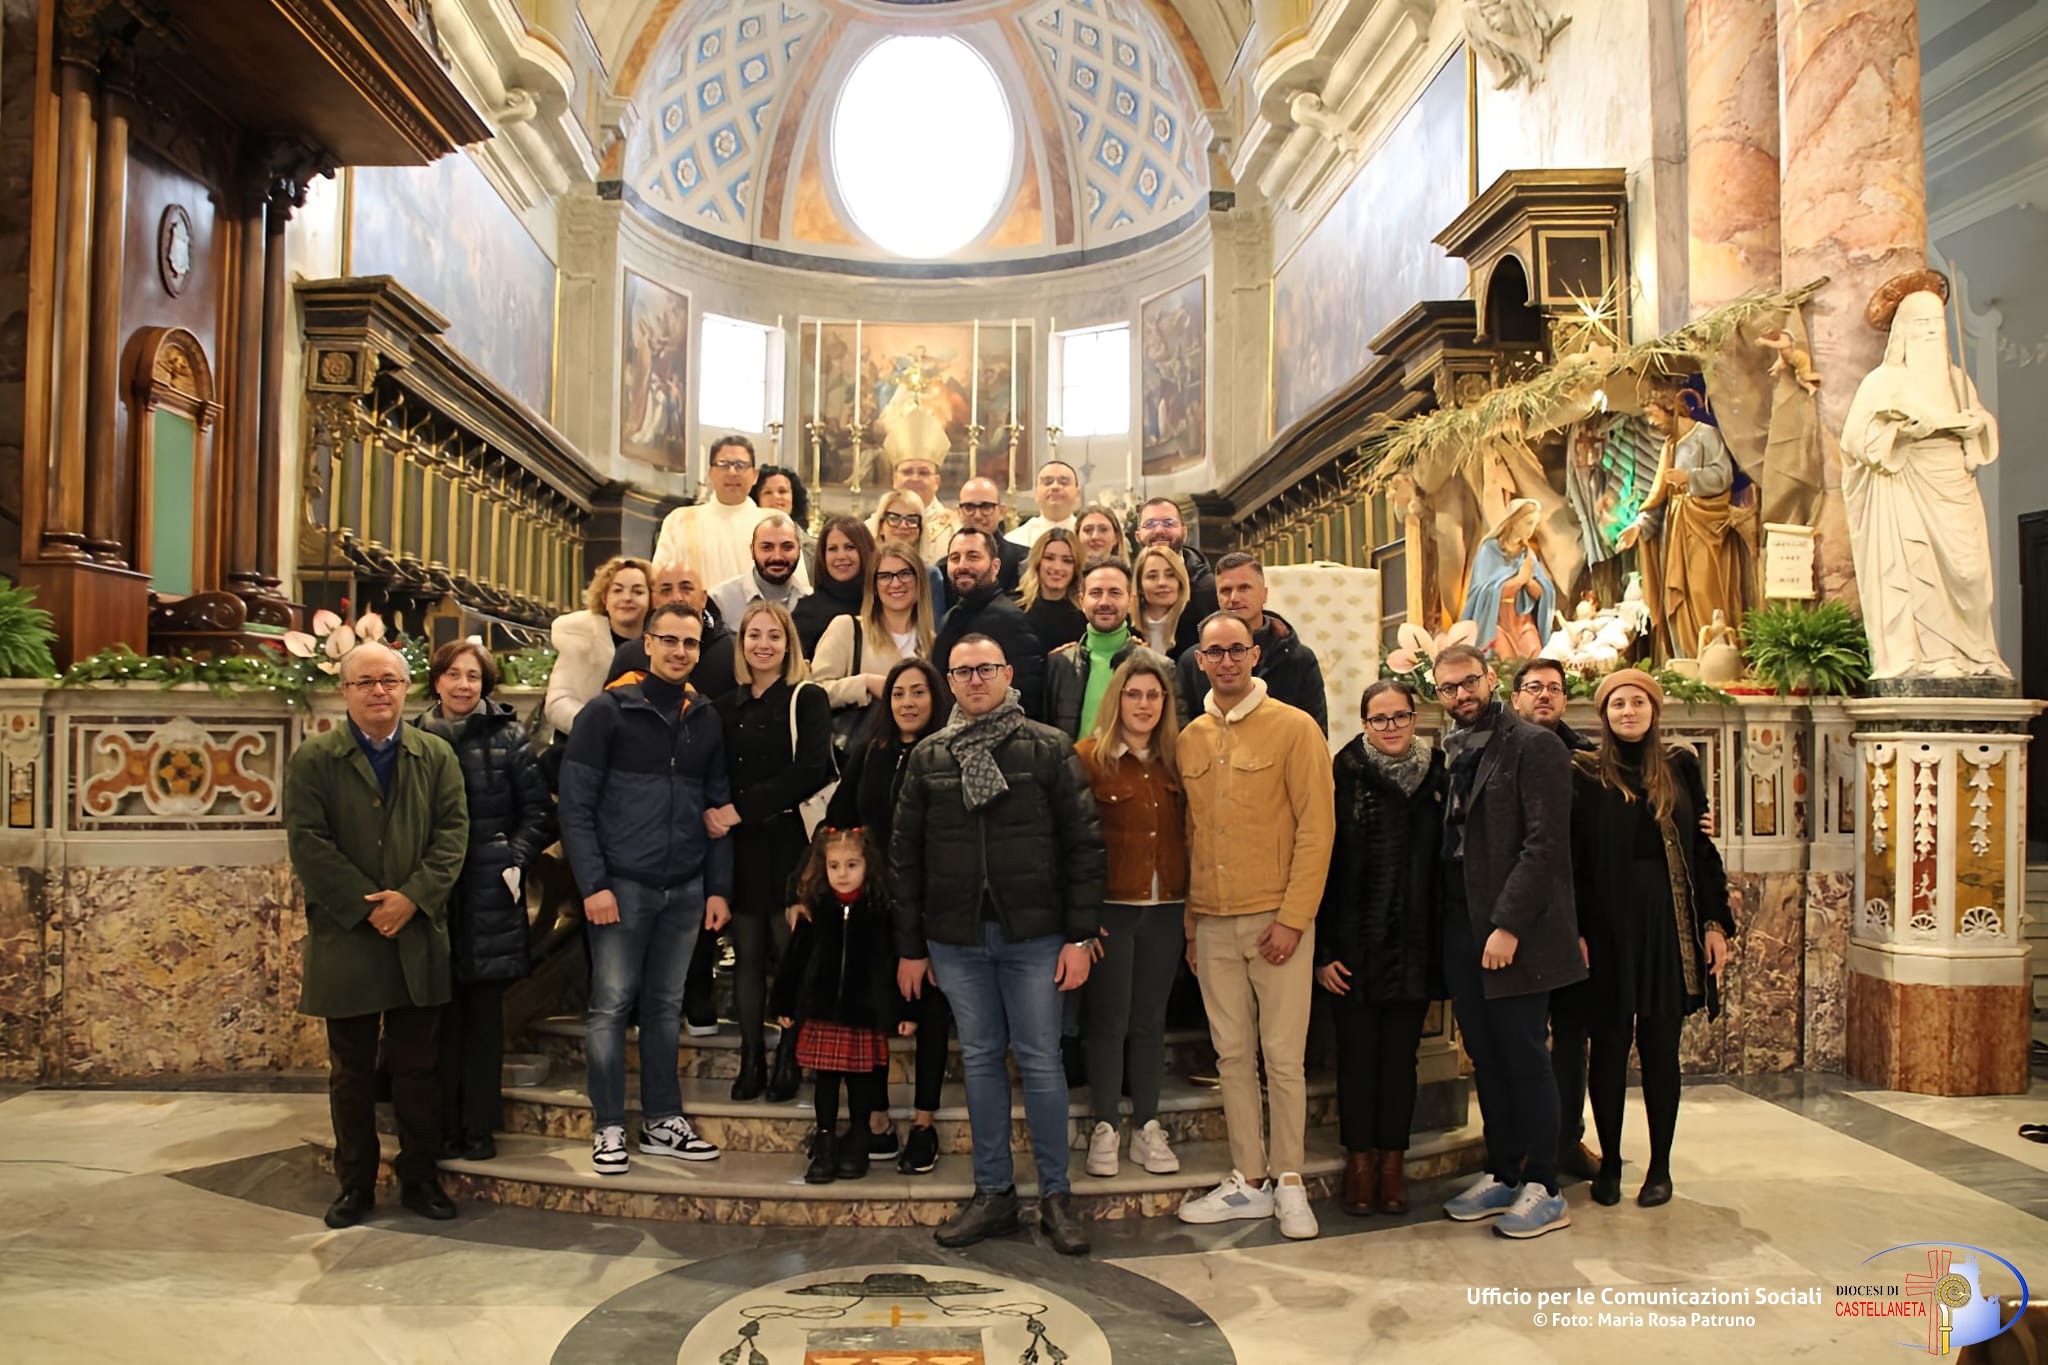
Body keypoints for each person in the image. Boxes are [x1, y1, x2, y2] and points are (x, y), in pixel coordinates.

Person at [891, 634, 1105, 1255]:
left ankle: (1056, 1198)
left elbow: (1084, 847)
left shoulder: (1047, 747)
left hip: (1035, 935)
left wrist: (1081, 935)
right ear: (949, 681)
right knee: (981, 1059)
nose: (975, 679)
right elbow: (905, 859)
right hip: (957, 938)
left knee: (1040, 1059)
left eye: (986, 668)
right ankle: (994, 1195)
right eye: (963, 672)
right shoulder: (930, 757)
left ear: (1007, 672)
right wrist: (911, 946)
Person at [286, 641, 469, 1228]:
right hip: (350, 935)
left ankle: (420, 1179)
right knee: (352, 1071)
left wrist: (412, 898)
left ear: (406, 688)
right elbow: (309, 845)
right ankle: (355, 1183)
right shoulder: (315, 759)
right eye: (365, 682)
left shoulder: (435, 754)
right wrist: (369, 907)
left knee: (418, 1068)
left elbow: (452, 836)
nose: (378, 692)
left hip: (416, 932)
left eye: (389, 681)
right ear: (346, 692)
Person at [1176, 613, 1335, 1241]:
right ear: (1200, 661)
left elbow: (1317, 830)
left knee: (1284, 1057)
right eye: (1214, 652)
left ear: (1255, 655)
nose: (1226, 661)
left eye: (1237, 649)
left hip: (1277, 920)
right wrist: (1191, 925)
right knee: (1232, 1054)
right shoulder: (1189, 737)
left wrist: (1294, 919)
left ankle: (1291, 1180)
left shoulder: (1294, 729)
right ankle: (1249, 1178)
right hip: (1212, 922)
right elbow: (1191, 836)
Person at [559, 602, 733, 1175]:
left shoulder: (703, 716)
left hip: (683, 886)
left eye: (691, 643)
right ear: (649, 643)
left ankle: (663, 1120)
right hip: (621, 887)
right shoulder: (607, 712)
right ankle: (609, 1124)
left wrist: (716, 886)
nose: (681, 651)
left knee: (665, 1007)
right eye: (670, 640)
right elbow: (578, 808)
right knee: (609, 1007)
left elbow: (717, 808)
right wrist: (594, 884)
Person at [1431, 643, 1584, 1240]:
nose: (1461, 696)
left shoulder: (1534, 745)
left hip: (1514, 932)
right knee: (1486, 1058)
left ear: (1491, 680)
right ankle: (1502, 1170)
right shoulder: (1452, 752)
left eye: (1469, 683)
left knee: (1524, 1055)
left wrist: (1508, 925)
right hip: (1462, 925)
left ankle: (1544, 1184)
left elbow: (1544, 845)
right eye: (1448, 689)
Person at [1572, 669, 1733, 1208]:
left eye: (1637, 701)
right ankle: (1612, 1163)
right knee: (1610, 1050)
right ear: (1605, 714)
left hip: (1670, 929)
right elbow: (1572, 862)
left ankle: (1660, 1168)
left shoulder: (1680, 768)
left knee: (1662, 1051)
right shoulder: (1585, 772)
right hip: (1609, 929)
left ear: (1654, 710)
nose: (1628, 711)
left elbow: (1701, 853)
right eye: (1618, 703)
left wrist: (1715, 924)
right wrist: (1574, 931)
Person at [414, 641, 552, 1162]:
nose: (463, 685)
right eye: (453, 674)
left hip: (490, 890)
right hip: (434, 891)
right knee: (439, 1019)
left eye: (472, 676)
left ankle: (478, 1127)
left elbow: (537, 812)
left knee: (483, 1021)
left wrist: (510, 859)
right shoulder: (416, 737)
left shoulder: (509, 738)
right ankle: (444, 1124)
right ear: (437, 681)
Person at [1320, 679, 1446, 1217]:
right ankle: (1360, 1165)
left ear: (1415, 718)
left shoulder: (1441, 775)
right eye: (1379, 719)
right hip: (1353, 947)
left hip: (1416, 945)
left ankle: (1393, 1164)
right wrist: (1324, 951)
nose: (1390, 727)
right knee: (1357, 1060)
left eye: (1399, 717)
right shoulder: (1342, 774)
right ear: (1365, 723)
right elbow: (1322, 866)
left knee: (1401, 1061)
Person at [825, 657, 954, 1174]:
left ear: (935, 699)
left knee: (931, 1017)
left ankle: (924, 1123)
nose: (907, 703)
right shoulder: (869, 752)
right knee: (871, 1014)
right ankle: (876, 1119)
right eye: (899, 693)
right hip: (873, 907)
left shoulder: (949, 752)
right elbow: (837, 819)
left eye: (919, 692)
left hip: (933, 905)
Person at [707, 600, 836, 1102]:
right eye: (753, 635)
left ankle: (789, 1055)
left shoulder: (807, 699)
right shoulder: (723, 707)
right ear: (741, 645)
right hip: (741, 851)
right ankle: (750, 1058)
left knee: (792, 956)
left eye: (773, 636)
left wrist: (740, 810)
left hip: (790, 844)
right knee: (748, 958)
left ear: (788, 644)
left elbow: (808, 772)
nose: (763, 644)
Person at [1075, 650, 1188, 1178]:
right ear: (1116, 698)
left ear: (1165, 703)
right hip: (1111, 913)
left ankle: (1147, 1125)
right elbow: (1074, 843)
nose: (1143, 704)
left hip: (1166, 908)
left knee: (1149, 1022)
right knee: (1108, 1020)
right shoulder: (1088, 758)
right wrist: (1080, 917)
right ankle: (1104, 1126)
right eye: (1134, 694)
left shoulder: (1178, 760)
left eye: (1153, 695)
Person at [774, 826, 914, 1183]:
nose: (843, 874)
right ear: (823, 868)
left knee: (861, 1082)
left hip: (863, 1013)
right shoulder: (815, 911)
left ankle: (858, 1140)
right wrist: (785, 1003)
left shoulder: (880, 913)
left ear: (868, 865)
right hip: (823, 1012)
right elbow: (794, 962)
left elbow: (892, 965)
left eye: (851, 865)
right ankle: (824, 1141)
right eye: (835, 866)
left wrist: (903, 1011)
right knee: (826, 1081)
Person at [1510, 656, 1598, 1182]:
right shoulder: (1500, 751)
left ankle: (1567, 1138)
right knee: (1520, 1041)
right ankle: (1523, 1142)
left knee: (1571, 1037)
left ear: (1565, 700)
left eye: (1554, 689)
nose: (1544, 695)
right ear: (1515, 697)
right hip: (1518, 921)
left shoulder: (1588, 759)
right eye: (1534, 687)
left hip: (1574, 923)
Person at [1619, 386, 1753, 661]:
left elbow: (1723, 475)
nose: (1651, 423)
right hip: (1676, 530)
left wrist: (1688, 477)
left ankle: (1715, 658)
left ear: (1673, 409)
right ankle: (1686, 658)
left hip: (1705, 526)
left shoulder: (1706, 435)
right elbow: (1658, 496)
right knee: (1677, 600)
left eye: (1653, 415)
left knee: (1704, 591)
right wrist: (1640, 525)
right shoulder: (1669, 446)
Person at [1174, 553, 1327, 734]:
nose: (1234, 598)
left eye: (1244, 588)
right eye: (1225, 590)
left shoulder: (1299, 660)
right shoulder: (1191, 663)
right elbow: (1185, 735)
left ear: (1264, 594)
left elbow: (1315, 735)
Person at [812, 543, 936, 732]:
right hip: (860, 753)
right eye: (885, 576)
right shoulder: (848, 628)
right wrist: (866, 683)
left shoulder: (932, 642)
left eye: (905, 574)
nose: (895, 583)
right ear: (874, 586)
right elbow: (813, 693)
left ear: (919, 582)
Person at [933, 527, 1048, 719]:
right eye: (955, 558)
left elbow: (1027, 698)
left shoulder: (1011, 620)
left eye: (973, 557)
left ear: (995, 567)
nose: (962, 565)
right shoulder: (950, 618)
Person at [654, 435, 786, 589]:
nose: (732, 472)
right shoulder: (680, 519)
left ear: (755, 475)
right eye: (723, 464)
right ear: (711, 472)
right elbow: (660, 580)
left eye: (740, 465)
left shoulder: (775, 522)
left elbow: (797, 587)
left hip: (762, 611)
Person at [546, 556, 652, 736]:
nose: (627, 598)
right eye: (617, 590)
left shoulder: (661, 644)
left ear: (651, 598)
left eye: (638, 591)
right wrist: (599, 728)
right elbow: (557, 703)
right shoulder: (579, 639)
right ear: (605, 598)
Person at [606, 562, 737, 705]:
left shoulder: (731, 650)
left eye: (686, 588)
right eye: (666, 590)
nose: (676, 597)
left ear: (704, 598)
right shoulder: (629, 654)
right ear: (655, 600)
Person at [1044, 557, 1139, 739]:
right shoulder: (1058, 665)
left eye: (1115, 593)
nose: (1104, 602)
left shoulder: (1157, 665)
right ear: (1082, 601)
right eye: (1096, 593)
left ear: (1130, 601)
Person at [1459, 499, 1560, 658]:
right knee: (1506, 666)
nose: (1531, 529)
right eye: (1528, 523)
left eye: (1535, 523)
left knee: (1536, 659)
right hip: (1495, 624)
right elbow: (1482, 592)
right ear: (1513, 521)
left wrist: (1529, 582)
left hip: (1522, 623)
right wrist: (1519, 580)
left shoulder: (1527, 554)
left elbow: (1543, 593)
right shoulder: (1489, 550)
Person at [708, 513, 812, 631]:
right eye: (767, 547)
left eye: (787, 547)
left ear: (799, 550)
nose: (777, 557)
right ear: (752, 551)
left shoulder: (813, 602)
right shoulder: (720, 601)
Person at [792, 516, 876, 658]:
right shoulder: (806, 611)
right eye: (832, 549)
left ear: (864, 550)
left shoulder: (882, 604)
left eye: (849, 547)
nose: (841, 556)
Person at [1133, 496, 1217, 621]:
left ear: (1184, 533)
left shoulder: (1211, 588)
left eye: (1169, 523)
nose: (1159, 530)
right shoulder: (1126, 586)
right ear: (1137, 536)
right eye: (1150, 524)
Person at [950, 476, 1027, 603]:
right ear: (959, 512)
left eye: (986, 507)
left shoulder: (1022, 560)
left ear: (1002, 512)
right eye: (969, 507)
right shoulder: (944, 567)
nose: (978, 515)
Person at [1019, 527, 1086, 651]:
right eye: (1049, 558)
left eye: (1067, 561)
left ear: (1076, 567)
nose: (1057, 567)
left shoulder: (1085, 616)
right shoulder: (1015, 609)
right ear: (1038, 562)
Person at [1131, 543, 1199, 659]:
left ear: (1180, 582)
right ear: (1139, 586)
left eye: (1170, 575)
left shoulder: (1196, 626)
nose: (1162, 583)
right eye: (1152, 576)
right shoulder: (1125, 627)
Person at [891, 452, 960, 566]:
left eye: (923, 473)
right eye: (907, 472)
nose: (915, 478)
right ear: (895, 479)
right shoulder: (871, 528)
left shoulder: (955, 529)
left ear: (936, 481)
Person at [1005, 460, 1082, 548]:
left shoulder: (1088, 536)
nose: (1055, 486)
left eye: (1063, 482)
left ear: (1078, 493)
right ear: (1036, 493)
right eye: (1048, 482)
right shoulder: (1015, 540)